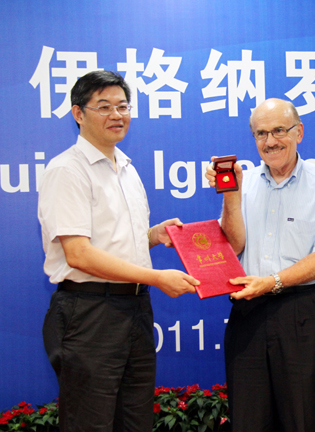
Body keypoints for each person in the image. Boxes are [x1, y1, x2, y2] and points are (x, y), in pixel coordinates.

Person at [38, 70, 200, 432]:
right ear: (78, 113)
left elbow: (115, 243)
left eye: (123, 106)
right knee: (89, 422)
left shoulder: (126, 167)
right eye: (104, 107)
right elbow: (79, 254)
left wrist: (153, 236)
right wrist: (156, 277)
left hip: (135, 309)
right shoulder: (67, 170)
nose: (117, 115)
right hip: (91, 312)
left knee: (135, 420)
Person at [205, 98, 315, 432]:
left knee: (306, 419)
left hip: (305, 313)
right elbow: (233, 247)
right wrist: (231, 195)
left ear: (298, 132)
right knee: (249, 421)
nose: (270, 141)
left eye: (278, 131)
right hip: (249, 312)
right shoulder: (245, 183)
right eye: (261, 133)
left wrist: (271, 281)